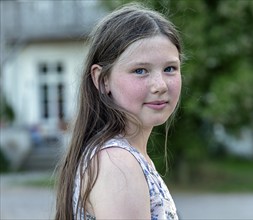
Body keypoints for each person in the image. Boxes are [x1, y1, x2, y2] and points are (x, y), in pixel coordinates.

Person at [55, 3, 182, 220]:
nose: (160, 85)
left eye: (170, 68)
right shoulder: (117, 164)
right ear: (103, 80)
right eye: (140, 71)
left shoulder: (123, 156)